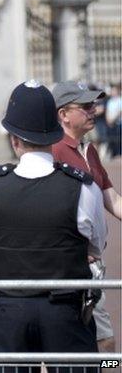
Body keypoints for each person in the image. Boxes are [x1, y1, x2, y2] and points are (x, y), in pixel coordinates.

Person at [0, 81, 106, 369]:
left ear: (14, 139)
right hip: (64, 309)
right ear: (55, 134)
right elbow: (98, 243)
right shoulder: (81, 187)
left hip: (8, 308)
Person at [51, 81, 119, 354]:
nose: (95, 110)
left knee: (95, 342)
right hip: (71, 263)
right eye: (86, 106)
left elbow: (111, 198)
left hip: (92, 263)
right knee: (102, 342)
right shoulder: (53, 152)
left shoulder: (88, 150)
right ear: (63, 114)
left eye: (94, 105)